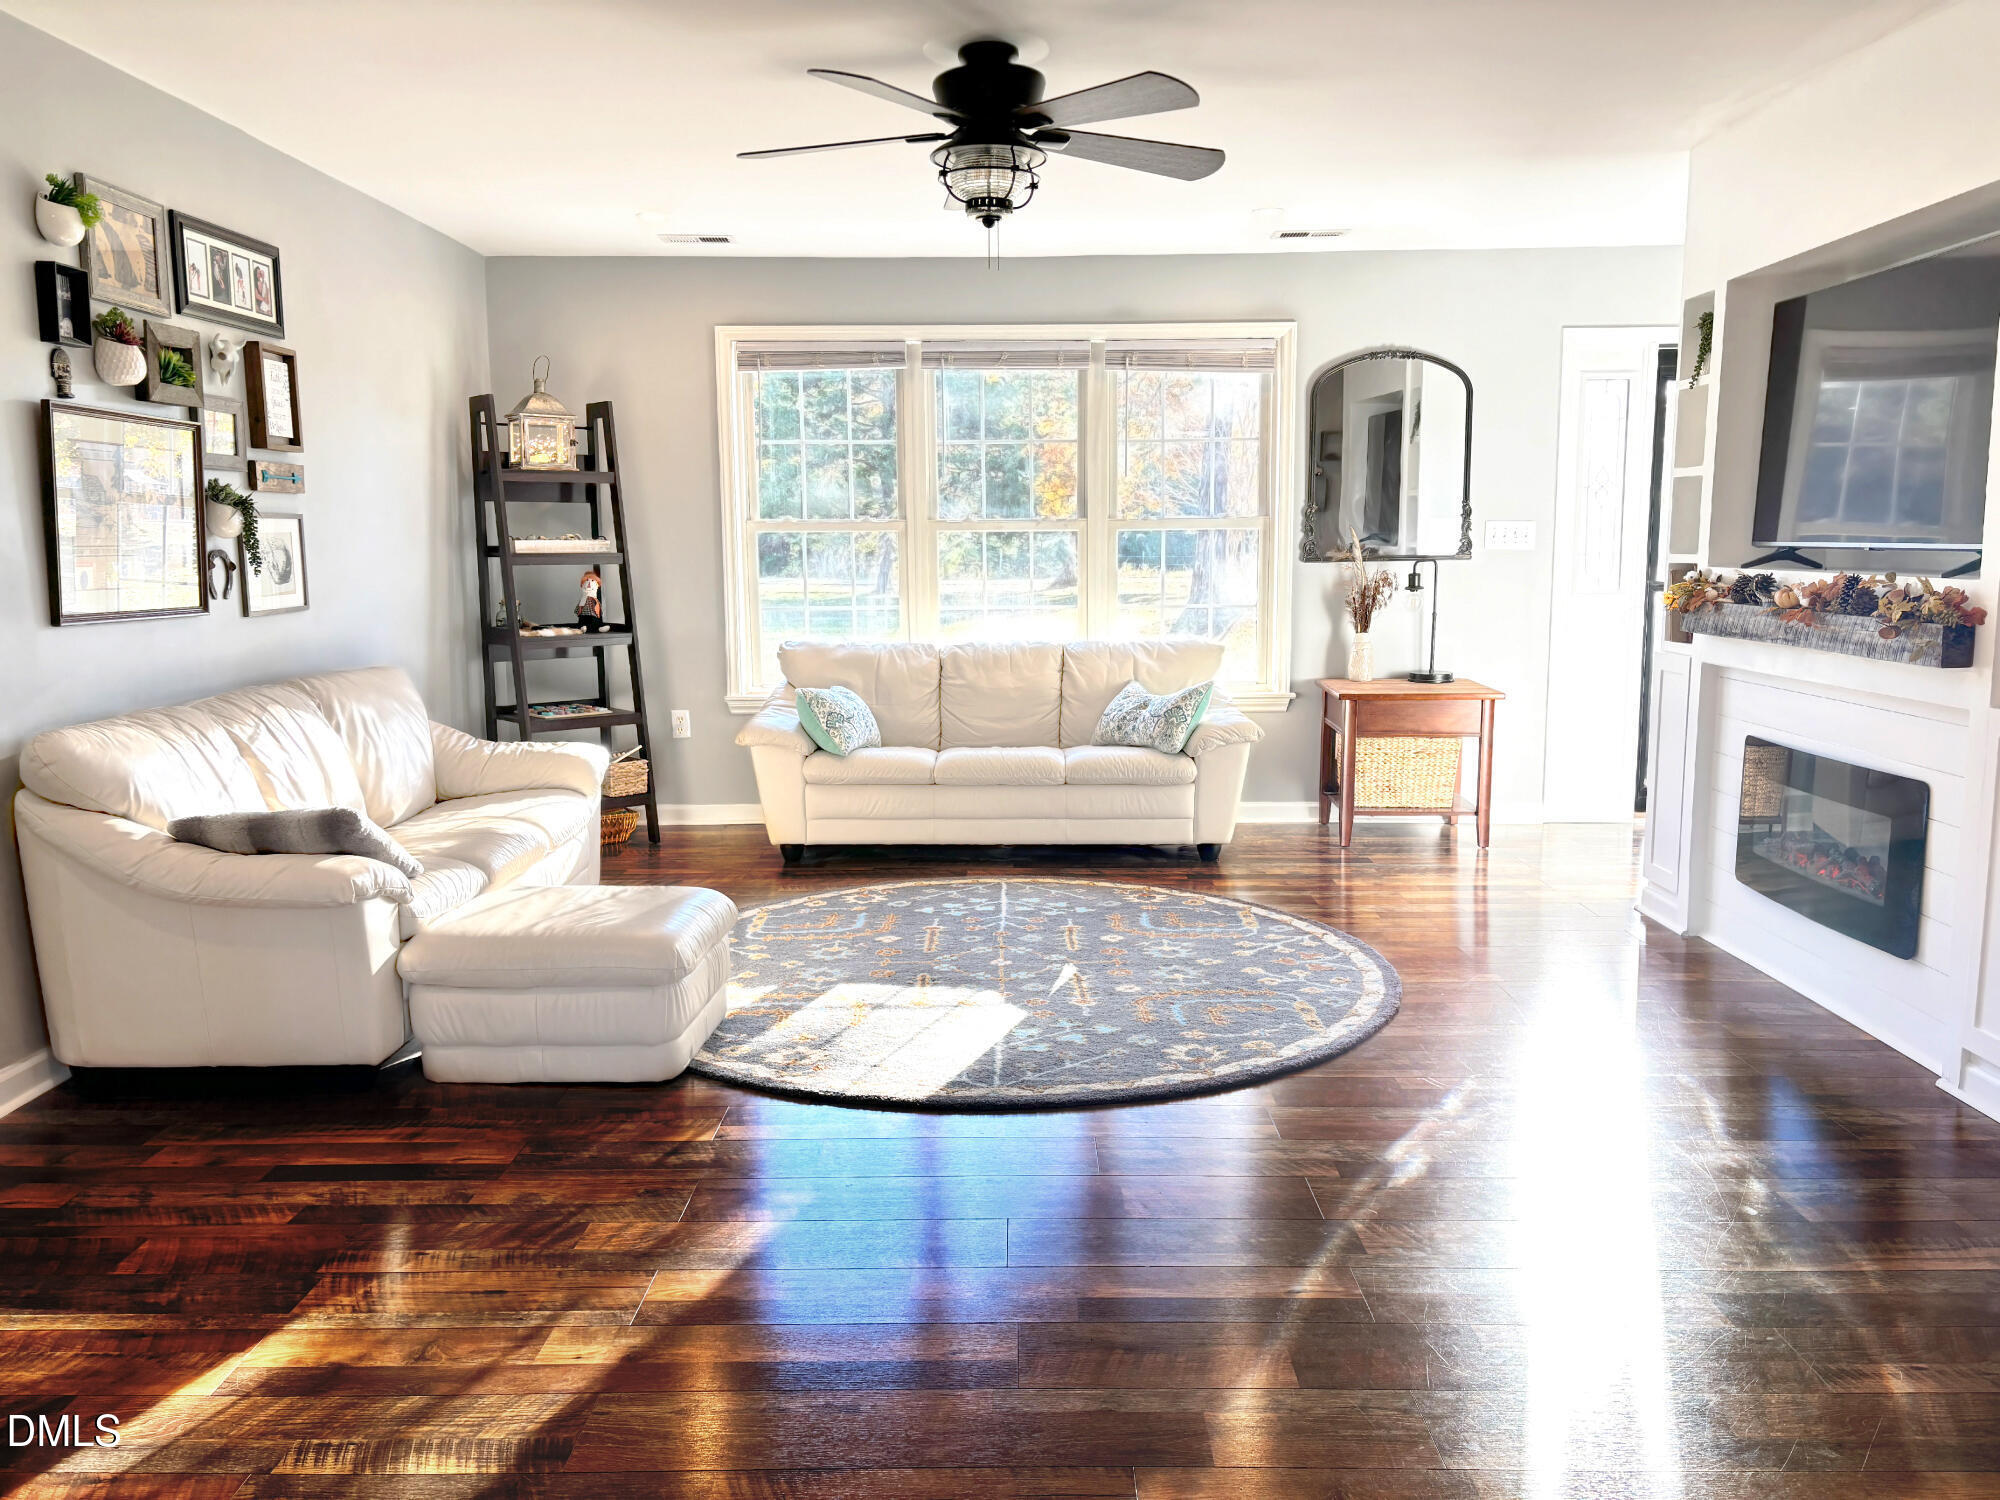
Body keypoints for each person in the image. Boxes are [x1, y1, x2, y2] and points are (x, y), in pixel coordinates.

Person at [576, 566, 608, 632]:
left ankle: (598, 628)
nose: (589, 583)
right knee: (584, 618)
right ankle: (583, 627)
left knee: (595, 617)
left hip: (594, 608)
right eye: (587, 581)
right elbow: (581, 605)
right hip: (585, 611)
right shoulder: (585, 595)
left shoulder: (597, 592)